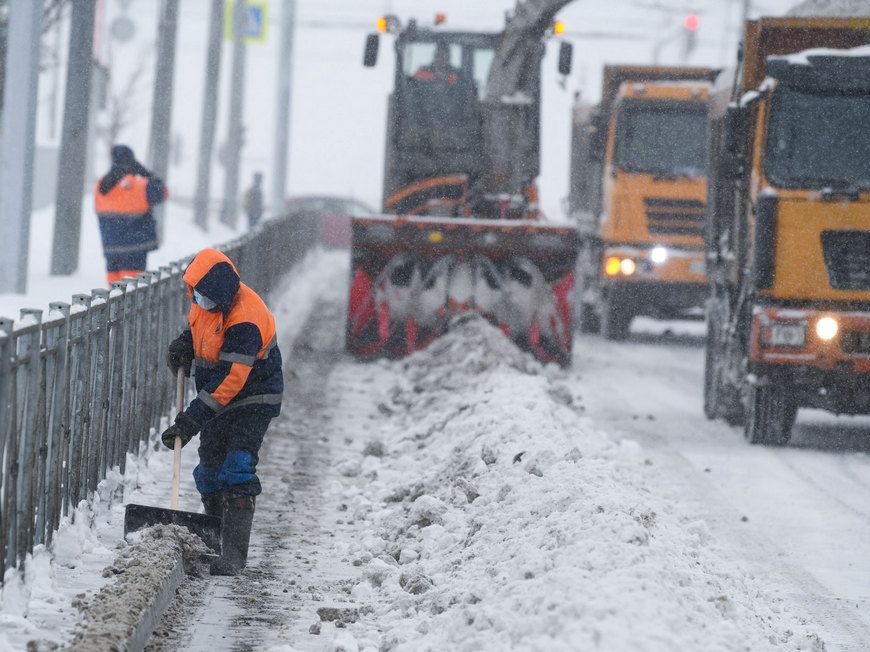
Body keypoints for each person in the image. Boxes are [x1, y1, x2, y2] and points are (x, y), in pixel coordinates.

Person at [162, 248, 284, 575]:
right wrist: (184, 344)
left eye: (204, 296)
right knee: (208, 471)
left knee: (237, 467)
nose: (198, 300)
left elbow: (230, 380)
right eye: (195, 294)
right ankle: (211, 542)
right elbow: (200, 329)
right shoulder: (207, 302)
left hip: (253, 397)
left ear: (221, 294)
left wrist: (190, 421)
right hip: (219, 396)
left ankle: (231, 556)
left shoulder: (245, 318)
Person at [94, 145, 167, 285]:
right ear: (132, 161)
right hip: (135, 251)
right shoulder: (139, 185)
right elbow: (163, 192)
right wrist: (146, 173)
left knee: (113, 294)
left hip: (111, 250)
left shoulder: (100, 185)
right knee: (132, 293)